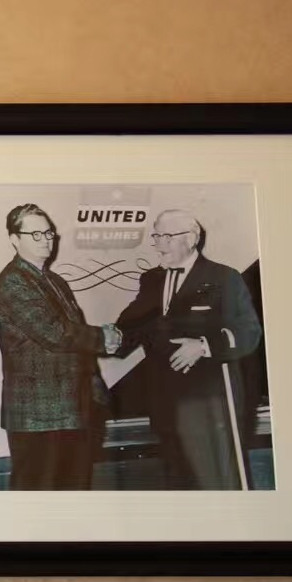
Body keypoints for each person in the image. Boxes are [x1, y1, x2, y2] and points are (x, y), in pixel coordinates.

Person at [115, 209, 262, 489]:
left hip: (209, 403)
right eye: (156, 236)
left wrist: (204, 346)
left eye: (167, 237)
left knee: (217, 480)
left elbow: (249, 331)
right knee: (179, 481)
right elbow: (131, 327)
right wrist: (105, 339)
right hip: (164, 400)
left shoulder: (223, 277)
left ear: (192, 239)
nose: (159, 244)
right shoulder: (152, 279)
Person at [0, 203, 121, 490]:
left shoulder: (54, 280)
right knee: (38, 499)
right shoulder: (12, 282)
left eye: (48, 233)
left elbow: (72, 338)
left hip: (71, 411)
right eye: (35, 234)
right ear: (15, 239)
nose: (45, 240)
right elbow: (55, 333)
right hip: (38, 416)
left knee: (72, 495)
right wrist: (103, 337)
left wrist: (96, 397)